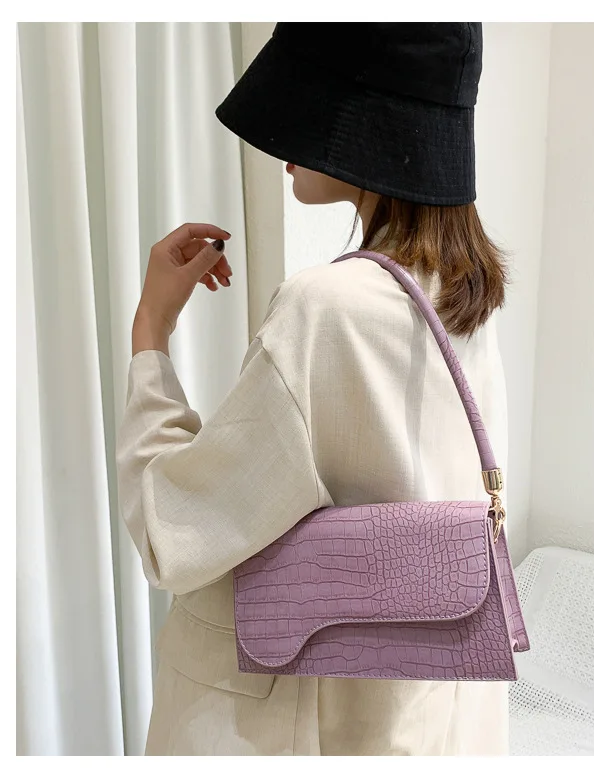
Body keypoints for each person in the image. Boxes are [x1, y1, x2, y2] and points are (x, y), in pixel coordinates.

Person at [116, 22, 513, 756]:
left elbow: (174, 532)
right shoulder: (465, 300)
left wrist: (151, 331)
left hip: (290, 729)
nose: (286, 134)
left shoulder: (325, 307)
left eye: (313, 105)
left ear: (373, 125)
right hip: (426, 727)